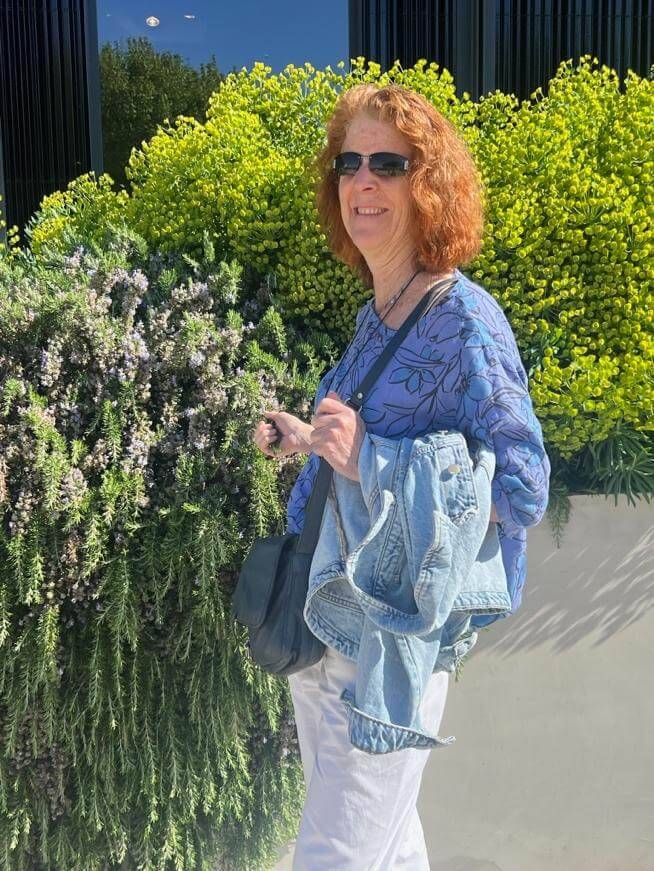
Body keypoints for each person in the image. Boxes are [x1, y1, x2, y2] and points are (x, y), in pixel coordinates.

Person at [251, 84, 550, 870]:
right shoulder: (376, 316)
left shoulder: (463, 318)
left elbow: (521, 487)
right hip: (327, 623)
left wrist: (372, 462)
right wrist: (310, 440)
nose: (363, 180)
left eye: (388, 163)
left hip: (391, 649)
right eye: (349, 163)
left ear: (429, 184)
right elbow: (370, 446)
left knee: (336, 856)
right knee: (384, 852)